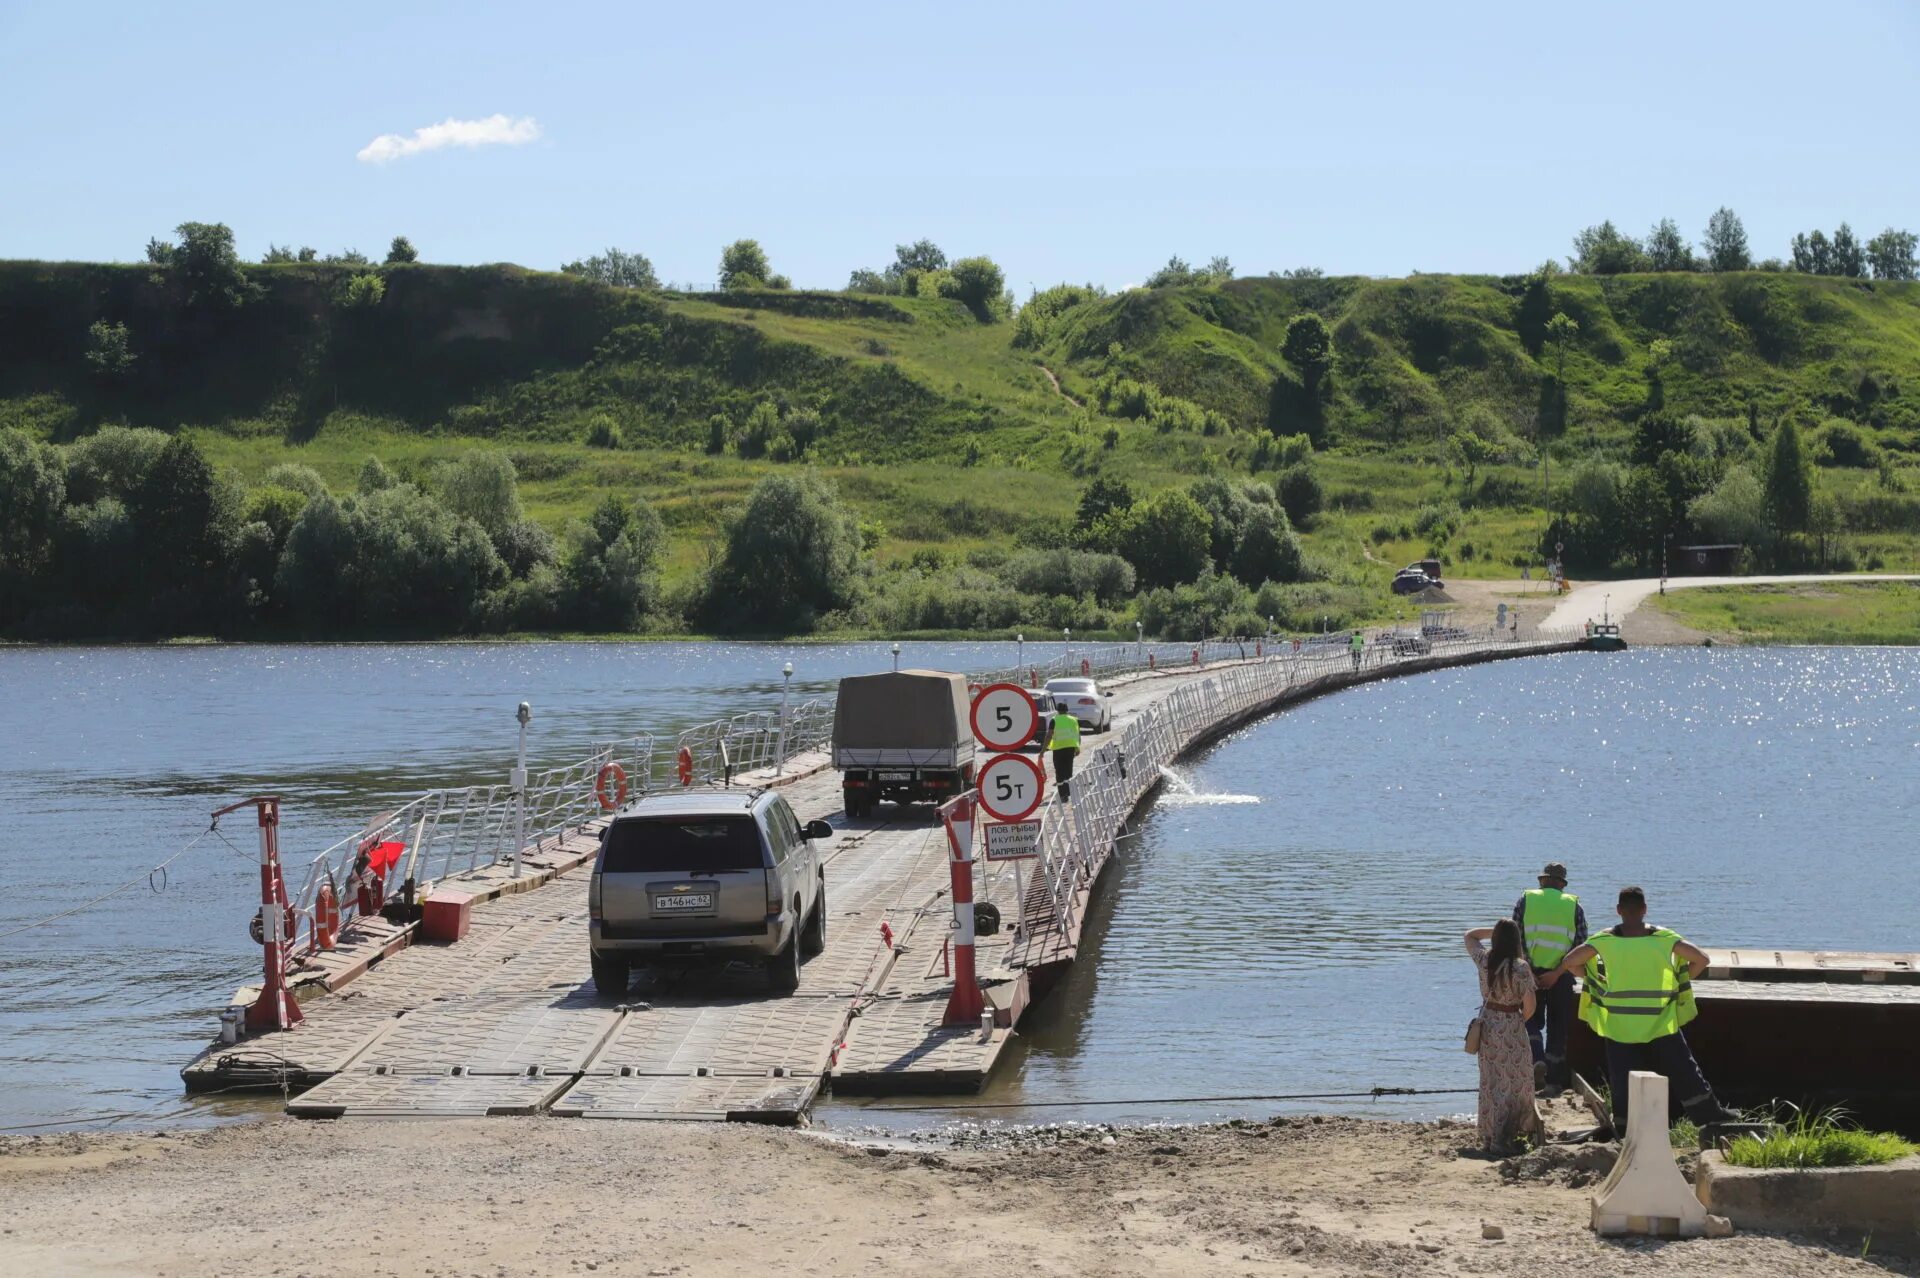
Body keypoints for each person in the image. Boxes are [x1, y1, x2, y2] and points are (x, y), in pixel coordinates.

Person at [1540, 886, 1736, 1132]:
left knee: (1622, 1078)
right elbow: (1701, 959)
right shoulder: (1663, 939)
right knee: (1684, 1070)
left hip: (1619, 1023)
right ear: (1644, 910)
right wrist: (1679, 981)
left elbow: (1570, 962)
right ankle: (1709, 1116)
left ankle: (1622, 1125)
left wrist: (1595, 981)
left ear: (1618, 911)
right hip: (1659, 1020)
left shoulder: (1604, 940)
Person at [1465, 918, 1543, 1153]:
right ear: (1516, 941)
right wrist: (1519, 1020)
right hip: (1511, 1024)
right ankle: (1507, 1136)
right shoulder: (1520, 967)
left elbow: (1469, 935)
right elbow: (1530, 1005)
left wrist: (1496, 931)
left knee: (1491, 1081)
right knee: (1517, 1081)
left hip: (1488, 1023)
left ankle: (1490, 1136)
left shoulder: (1485, 960)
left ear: (1496, 939)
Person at [1514, 861, 1587, 1093]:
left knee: (1528, 1017)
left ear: (1542, 880)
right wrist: (1557, 972)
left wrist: (1529, 971)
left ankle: (1536, 1059)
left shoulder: (1526, 899)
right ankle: (1554, 1083)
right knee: (1558, 1028)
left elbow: (1515, 937)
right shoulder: (1574, 905)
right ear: (1562, 884)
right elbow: (1581, 944)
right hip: (1560, 976)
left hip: (1530, 973)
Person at [1047, 700, 1081, 803]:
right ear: (1067, 710)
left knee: (1059, 772)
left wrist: (1043, 750)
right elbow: (1077, 734)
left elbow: (1049, 735)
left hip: (1058, 749)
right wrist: (1078, 748)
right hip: (1070, 748)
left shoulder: (1054, 720)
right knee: (1068, 771)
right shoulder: (1074, 720)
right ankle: (1068, 791)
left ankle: (1063, 794)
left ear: (1057, 710)